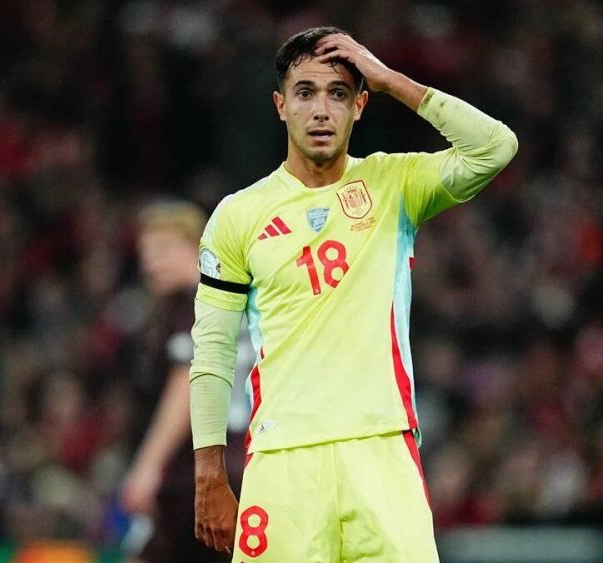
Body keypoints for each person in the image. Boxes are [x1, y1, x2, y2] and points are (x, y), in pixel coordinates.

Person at [189, 26, 518, 561]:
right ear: (280, 106)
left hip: (382, 448)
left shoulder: (395, 184)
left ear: (360, 105)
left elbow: (495, 148)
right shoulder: (238, 216)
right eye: (305, 93)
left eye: (338, 94)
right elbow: (212, 352)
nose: (321, 110)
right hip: (283, 459)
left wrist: (391, 79)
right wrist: (208, 470)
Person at [121, 201, 244, 563]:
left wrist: (147, 466)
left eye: (162, 250)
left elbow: (187, 384)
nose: (149, 264)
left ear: (196, 247)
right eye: (145, 254)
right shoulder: (232, 300)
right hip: (242, 462)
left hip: (195, 473)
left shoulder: (191, 304)